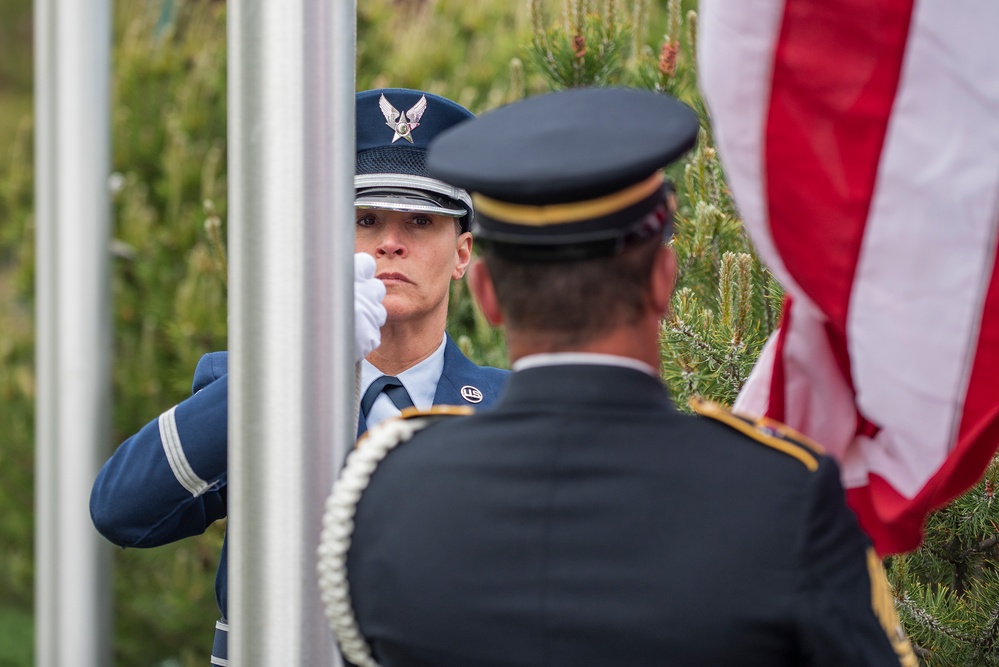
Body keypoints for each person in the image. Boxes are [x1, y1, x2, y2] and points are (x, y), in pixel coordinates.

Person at [320, 87, 918, 667]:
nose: (391, 243)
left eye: (420, 223)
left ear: (486, 290)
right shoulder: (784, 494)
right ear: (664, 279)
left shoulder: (385, 491)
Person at [90, 88, 510, 666]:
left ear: (462, 253)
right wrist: (291, 363)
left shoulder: (511, 408)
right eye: (366, 219)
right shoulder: (257, 387)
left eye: (420, 220)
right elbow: (121, 509)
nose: (391, 242)